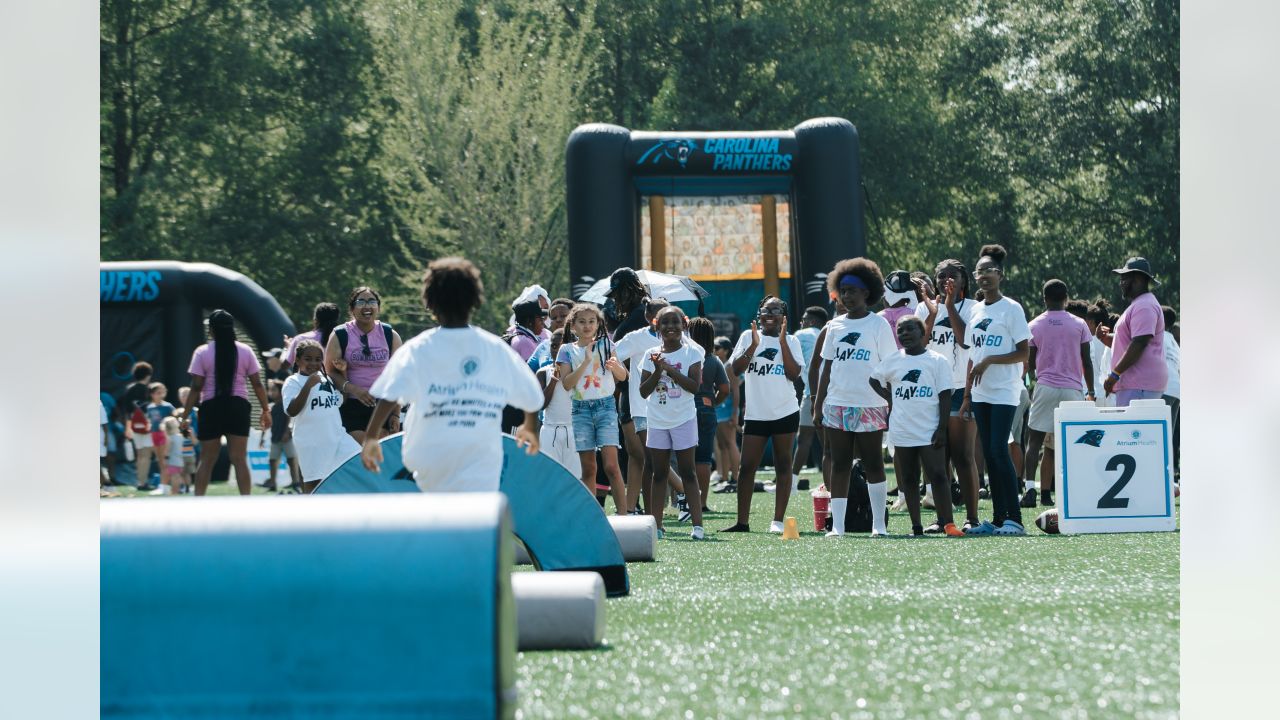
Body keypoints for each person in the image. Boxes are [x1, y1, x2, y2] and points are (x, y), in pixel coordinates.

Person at [361, 257, 543, 491]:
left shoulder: (418, 348)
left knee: (441, 521)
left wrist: (372, 437)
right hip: (482, 460)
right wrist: (529, 427)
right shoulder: (494, 348)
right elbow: (531, 395)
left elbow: (389, 394)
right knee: (475, 522)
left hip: (432, 459)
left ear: (430, 303)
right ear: (475, 302)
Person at [814, 261, 896, 537]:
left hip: (871, 404)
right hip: (837, 404)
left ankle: (879, 525)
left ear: (867, 293)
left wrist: (890, 401)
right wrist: (818, 405)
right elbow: (826, 369)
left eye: (853, 291)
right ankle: (837, 525)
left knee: (873, 463)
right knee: (840, 463)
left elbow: (889, 365)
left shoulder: (879, 324)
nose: (847, 297)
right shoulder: (834, 326)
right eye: (843, 291)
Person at [870, 315, 964, 536]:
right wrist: (889, 398)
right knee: (910, 478)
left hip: (930, 430)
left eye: (910, 329)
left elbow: (944, 397)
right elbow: (874, 379)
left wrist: (942, 428)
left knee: (939, 475)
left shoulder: (936, 360)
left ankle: (948, 524)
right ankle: (916, 527)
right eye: (901, 331)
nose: (904, 334)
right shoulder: (893, 360)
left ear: (923, 333)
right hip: (902, 429)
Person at [960, 245, 1032, 536]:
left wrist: (990, 360)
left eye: (990, 270)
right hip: (980, 394)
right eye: (980, 271)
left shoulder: (1011, 308)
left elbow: (1023, 353)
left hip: (1004, 391)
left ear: (1000, 275)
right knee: (988, 455)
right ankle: (999, 519)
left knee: (998, 450)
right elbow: (971, 357)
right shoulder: (976, 310)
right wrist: (966, 396)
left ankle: (1015, 519)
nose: (984, 276)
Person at [723, 296, 804, 534]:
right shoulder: (748, 337)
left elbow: (793, 374)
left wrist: (782, 342)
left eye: (776, 310)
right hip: (756, 414)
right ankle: (742, 522)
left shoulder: (791, 340)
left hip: (785, 412)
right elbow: (734, 370)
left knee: (783, 464)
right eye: (765, 309)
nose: (770, 313)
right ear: (759, 314)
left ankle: (777, 521)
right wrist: (754, 346)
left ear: (783, 317)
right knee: (747, 467)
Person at [179, 309, 272, 495]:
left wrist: (185, 416)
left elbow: (196, 387)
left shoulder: (202, 352)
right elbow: (257, 384)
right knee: (239, 459)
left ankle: (198, 504)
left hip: (211, 407)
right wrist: (265, 409)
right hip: (238, 406)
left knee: (206, 460)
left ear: (211, 330)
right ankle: (246, 502)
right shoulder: (245, 350)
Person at [1022, 279, 1095, 509]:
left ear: (1044, 299)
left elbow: (1030, 362)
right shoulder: (1079, 324)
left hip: (1045, 386)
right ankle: (1075, 491)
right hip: (1073, 389)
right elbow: (1087, 361)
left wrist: (1036, 377)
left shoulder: (1034, 324)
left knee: (1034, 442)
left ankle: (1030, 489)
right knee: (1074, 442)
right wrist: (1090, 390)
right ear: (1066, 298)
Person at [639, 306, 706, 538]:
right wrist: (658, 371)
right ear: (657, 326)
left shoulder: (692, 353)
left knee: (688, 472)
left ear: (684, 325)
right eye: (665, 322)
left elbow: (694, 387)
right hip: (657, 421)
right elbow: (643, 391)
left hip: (684, 419)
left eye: (675, 322)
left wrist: (669, 369)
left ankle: (697, 526)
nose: (670, 327)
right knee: (658, 474)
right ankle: (656, 526)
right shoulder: (650, 354)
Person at [558, 303, 629, 514]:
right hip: (580, 410)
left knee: (611, 466)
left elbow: (623, 376)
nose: (587, 326)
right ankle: (593, 517)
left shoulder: (607, 345)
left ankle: (624, 515)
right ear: (573, 326)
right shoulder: (566, 350)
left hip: (606, 407)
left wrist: (616, 368)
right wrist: (586, 360)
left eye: (591, 321)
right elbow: (567, 383)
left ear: (599, 324)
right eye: (582, 322)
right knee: (589, 468)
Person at [614, 298, 681, 514]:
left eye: (669, 316)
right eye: (660, 315)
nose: (666, 321)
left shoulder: (677, 339)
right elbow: (612, 356)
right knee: (652, 457)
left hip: (668, 406)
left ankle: (636, 509)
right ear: (649, 317)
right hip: (642, 408)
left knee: (650, 461)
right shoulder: (636, 338)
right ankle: (685, 492)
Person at [325, 286, 403, 444]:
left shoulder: (390, 335)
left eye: (372, 301)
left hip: (384, 404)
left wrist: (395, 414)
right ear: (352, 309)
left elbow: (399, 378)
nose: (367, 306)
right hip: (352, 404)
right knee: (361, 451)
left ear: (378, 308)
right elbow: (330, 372)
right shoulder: (340, 334)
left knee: (382, 456)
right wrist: (354, 389)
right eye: (361, 302)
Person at [283, 339, 361, 493]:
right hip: (312, 442)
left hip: (337, 438)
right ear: (297, 360)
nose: (313, 363)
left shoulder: (326, 380)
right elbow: (291, 410)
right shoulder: (293, 381)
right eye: (308, 359)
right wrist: (308, 385)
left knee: (359, 463)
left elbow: (340, 400)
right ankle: (309, 515)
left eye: (318, 359)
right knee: (314, 484)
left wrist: (343, 372)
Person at [1100, 257, 1167, 407]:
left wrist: (1114, 374)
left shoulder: (1144, 306)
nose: (1120, 283)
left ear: (1137, 279)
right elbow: (1126, 342)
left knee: (1133, 430)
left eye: (1124, 278)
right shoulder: (1139, 304)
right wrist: (1104, 338)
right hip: (1137, 383)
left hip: (1140, 383)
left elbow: (1139, 343)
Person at [689, 317, 729, 512]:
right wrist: (713, 402)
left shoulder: (685, 355)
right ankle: (702, 503)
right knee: (703, 459)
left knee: (682, 458)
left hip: (684, 409)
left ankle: (683, 501)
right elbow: (725, 388)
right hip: (706, 409)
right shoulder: (713, 360)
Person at [791, 306, 829, 483]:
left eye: (804, 319)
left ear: (812, 321)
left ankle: (792, 480)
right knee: (829, 444)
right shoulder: (831, 332)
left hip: (811, 394)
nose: (802, 322)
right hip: (833, 392)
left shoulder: (802, 334)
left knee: (804, 439)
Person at [536, 329, 581, 477]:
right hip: (550, 430)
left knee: (575, 478)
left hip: (575, 430)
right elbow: (540, 404)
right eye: (554, 346)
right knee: (549, 477)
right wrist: (554, 381)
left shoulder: (580, 373)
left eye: (562, 346)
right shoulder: (544, 372)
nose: (557, 350)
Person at [711, 336, 741, 493]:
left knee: (730, 443)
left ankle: (736, 478)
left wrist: (735, 413)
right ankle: (724, 478)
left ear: (727, 350)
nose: (714, 350)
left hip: (728, 410)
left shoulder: (729, 366)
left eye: (717, 348)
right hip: (719, 410)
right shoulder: (720, 364)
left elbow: (736, 390)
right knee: (722, 445)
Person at [263, 379, 301, 492]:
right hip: (275, 438)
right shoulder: (272, 406)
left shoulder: (285, 403)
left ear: (281, 391)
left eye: (273, 390)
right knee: (272, 460)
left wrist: (286, 432)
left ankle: (295, 482)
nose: (271, 393)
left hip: (286, 439)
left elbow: (290, 418)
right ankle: (272, 483)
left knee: (291, 460)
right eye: (270, 390)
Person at [138, 382, 175, 493]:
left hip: (165, 436)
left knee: (165, 461)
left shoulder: (168, 406)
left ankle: (167, 486)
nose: (161, 395)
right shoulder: (150, 407)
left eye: (162, 392)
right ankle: (164, 486)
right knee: (160, 461)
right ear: (152, 394)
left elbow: (174, 420)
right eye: (158, 393)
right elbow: (149, 420)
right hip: (154, 435)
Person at [285, 302, 342, 367]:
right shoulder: (343, 339)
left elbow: (285, 365)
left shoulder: (300, 339)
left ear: (315, 319)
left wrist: (287, 348)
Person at [527, 297, 574, 372]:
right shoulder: (543, 346)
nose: (558, 320)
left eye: (563, 316)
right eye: (554, 318)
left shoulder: (585, 345)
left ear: (575, 318)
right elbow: (527, 374)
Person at [1161, 305, 1180, 479]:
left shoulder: (1159, 337)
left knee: (1159, 433)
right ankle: (1169, 472)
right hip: (1177, 390)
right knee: (1169, 432)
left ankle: (1162, 474)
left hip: (1164, 387)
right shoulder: (1173, 340)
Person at [160, 416, 185, 496]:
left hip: (173, 460)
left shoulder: (170, 438)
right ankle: (178, 490)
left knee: (174, 476)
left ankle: (174, 491)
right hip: (180, 460)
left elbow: (167, 450)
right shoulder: (180, 436)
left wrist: (165, 459)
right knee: (178, 476)